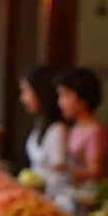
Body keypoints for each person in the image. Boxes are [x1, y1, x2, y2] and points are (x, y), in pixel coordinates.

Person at [55, 66, 108, 186]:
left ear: (82, 99)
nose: (60, 102)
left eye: (65, 95)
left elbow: (95, 171)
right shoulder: (74, 127)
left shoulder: (95, 131)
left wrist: (64, 169)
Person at [19, 65, 68, 199]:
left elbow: (59, 173)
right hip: (37, 197)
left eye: (26, 92)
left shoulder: (57, 129)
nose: (23, 99)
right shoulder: (40, 125)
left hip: (54, 200)